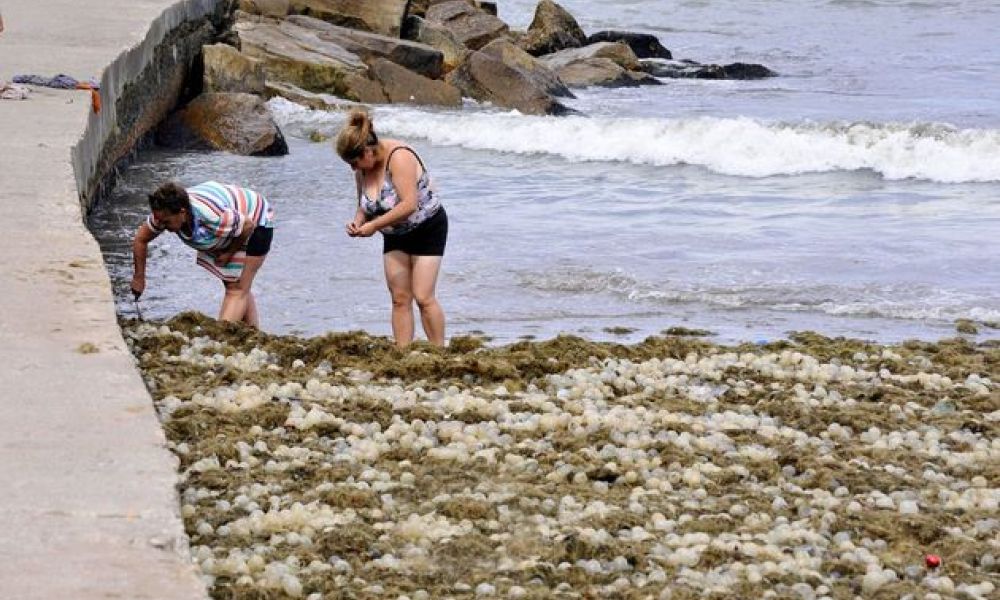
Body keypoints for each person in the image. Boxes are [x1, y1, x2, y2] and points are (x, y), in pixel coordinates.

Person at [336, 110, 448, 347]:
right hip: (394, 234)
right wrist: (358, 222)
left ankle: (439, 350)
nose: (353, 169)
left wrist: (374, 226)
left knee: (423, 296)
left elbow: (409, 204)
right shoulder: (363, 170)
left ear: (367, 151)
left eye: (354, 162)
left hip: (427, 228)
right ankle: (402, 352)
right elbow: (364, 205)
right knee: (399, 298)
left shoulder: (398, 157)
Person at [130, 181, 274, 327]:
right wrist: (139, 277)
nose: (161, 226)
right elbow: (140, 240)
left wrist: (229, 253)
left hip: (256, 218)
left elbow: (247, 225)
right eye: (159, 221)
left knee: (237, 289)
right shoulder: (163, 212)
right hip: (233, 219)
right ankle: (253, 335)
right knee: (236, 286)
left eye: (166, 222)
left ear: (182, 212)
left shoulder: (211, 217)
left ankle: (220, 338)